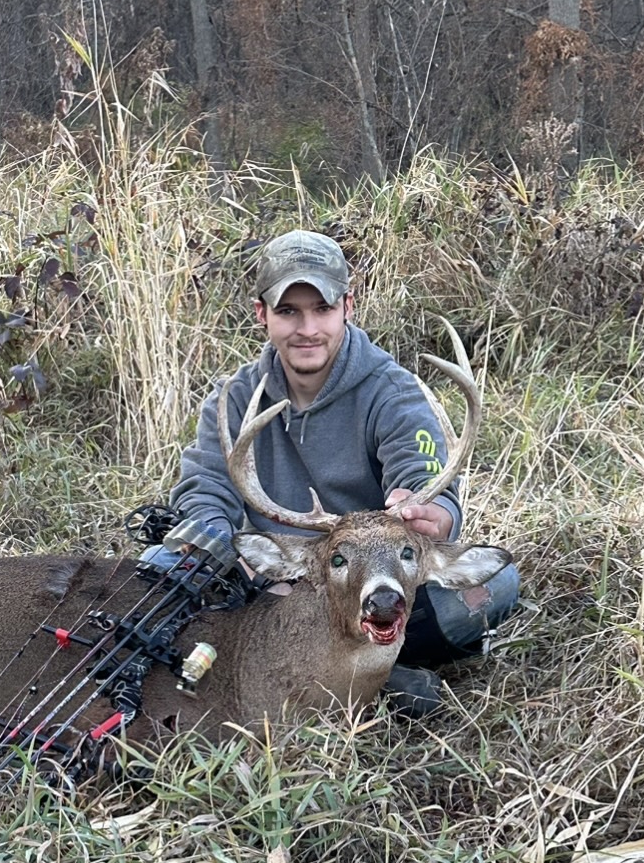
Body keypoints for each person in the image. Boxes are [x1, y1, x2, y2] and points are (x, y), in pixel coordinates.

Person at [164, 229, 519, 717]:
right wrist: (227, 552)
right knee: (164, 574)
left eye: (323, 308)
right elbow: (205, 492)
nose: (307, 328)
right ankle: (372, 678)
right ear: (261, 314)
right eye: (288, 311)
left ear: (348, 307)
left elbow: (425, 476)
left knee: (491, 591)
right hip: (280, 589)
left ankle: (354, 674)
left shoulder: (393, 393)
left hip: (380, 581)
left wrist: (429, 512)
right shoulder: (235, 402)